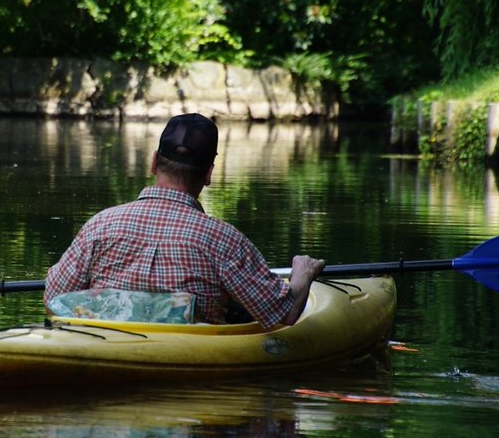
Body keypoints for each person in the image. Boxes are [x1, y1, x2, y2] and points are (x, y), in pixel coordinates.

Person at [44, 112, 326, 330]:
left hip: (105, 345)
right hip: (184, 354)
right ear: (208, 175)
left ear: (154, 162)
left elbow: (54, 297)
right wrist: (302, 274)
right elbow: (284, 315)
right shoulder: (223, 239)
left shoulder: (100, 225)